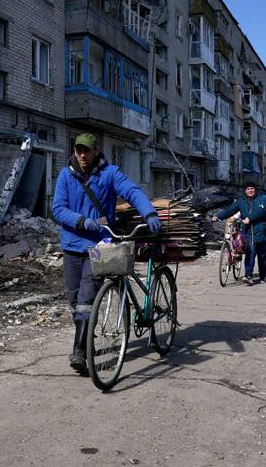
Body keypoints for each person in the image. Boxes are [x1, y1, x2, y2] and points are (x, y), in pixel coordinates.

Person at [52, 133, 162, 374]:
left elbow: (132, 191)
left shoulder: (110, 173)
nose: (82, 155)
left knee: (86, 297)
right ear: (74, 150)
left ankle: (80, 352)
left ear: (95, 152)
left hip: (100, 246)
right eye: (79, 150)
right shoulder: (65, 175)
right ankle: (84, 340)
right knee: (74, 300)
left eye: (87, 151)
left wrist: (149, 212)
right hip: (72, 245)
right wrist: (81, 221)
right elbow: (58, 208)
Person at [212, 181, 266, 285]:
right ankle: (248, 275)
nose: (250, 190)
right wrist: (218, 216)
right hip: (248, 232)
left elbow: (262, 211)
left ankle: (262, 276)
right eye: (248, 189)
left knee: (262, 256)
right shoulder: (241, 201)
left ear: (255, 189)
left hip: (263, 231)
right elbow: (230, 210)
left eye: (252, 188)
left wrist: (250, 218)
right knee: (250, 252)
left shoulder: (263, 198)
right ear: (245, 191)